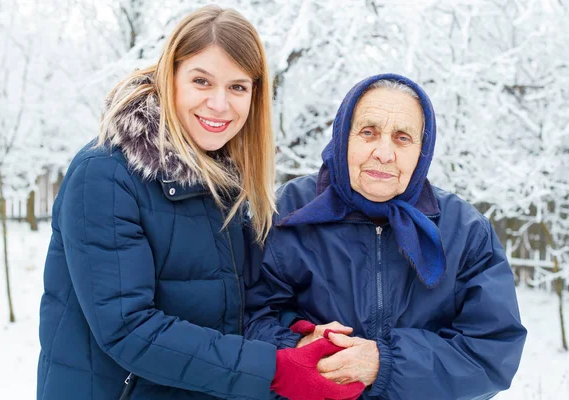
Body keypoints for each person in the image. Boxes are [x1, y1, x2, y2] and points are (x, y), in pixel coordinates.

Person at [36, 6, 364, 400]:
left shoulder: (227, 182)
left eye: (238, 87)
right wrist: (274, 369)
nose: (220, 104)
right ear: (169, 77)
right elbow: (128, 328)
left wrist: (295, 335)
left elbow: (237, 303)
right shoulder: (105, 174)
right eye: (202, 81)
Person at [245, 73, 528, 399]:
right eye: (368, 132)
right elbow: (245, 318)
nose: (383, 152)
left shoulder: (465, 230)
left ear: (422, 150)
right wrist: (299, 341)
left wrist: (385, 362)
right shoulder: (285, 212)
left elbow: (492, 350)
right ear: (342, 138)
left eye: (402, 137)